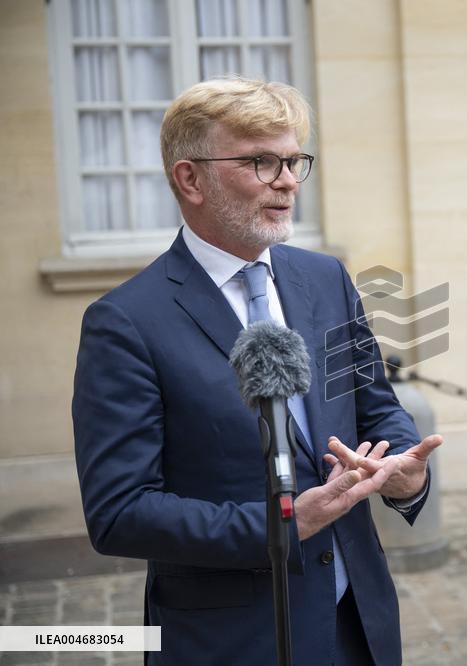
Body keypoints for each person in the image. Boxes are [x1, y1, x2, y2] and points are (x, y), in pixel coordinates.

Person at [72, 77, 443, 665]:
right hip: (231, 640)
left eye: (295, 161)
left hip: (356, 624)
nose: (289, 182)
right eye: (261, 162)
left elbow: (374, 405)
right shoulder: (125, 322)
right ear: (190, 178)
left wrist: (404, 472)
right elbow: (120, 513)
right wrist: (281, 526)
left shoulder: (325, 278)